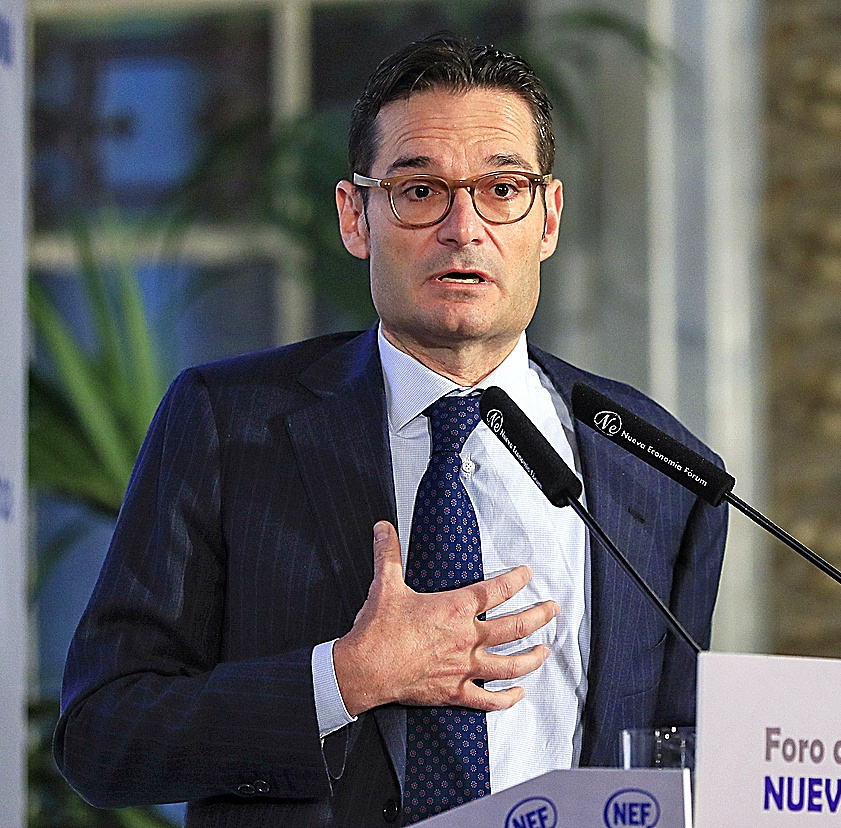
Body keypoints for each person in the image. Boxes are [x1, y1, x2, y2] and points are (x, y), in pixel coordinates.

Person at [54, 34, 726, 827]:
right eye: (418, 191)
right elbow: (103, 737)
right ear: (355, 217)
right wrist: (344, 678)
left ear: (547, 218)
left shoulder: (654, 465)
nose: (463, 228)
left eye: (501, 188)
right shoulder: (227, 422)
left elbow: (675, 757)